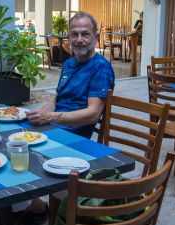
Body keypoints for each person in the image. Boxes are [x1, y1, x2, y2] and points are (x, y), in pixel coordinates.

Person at [28, 11, 115, 139]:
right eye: (74, 34)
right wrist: (44, 111)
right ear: (69, 38)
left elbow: (93, 114)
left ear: (96, 38)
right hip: (53, 125)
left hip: (72, 136)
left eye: (85, 34)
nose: (79, 39)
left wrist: (51, 117)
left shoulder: (101, 68)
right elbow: (59, 97)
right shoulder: (69, 63)